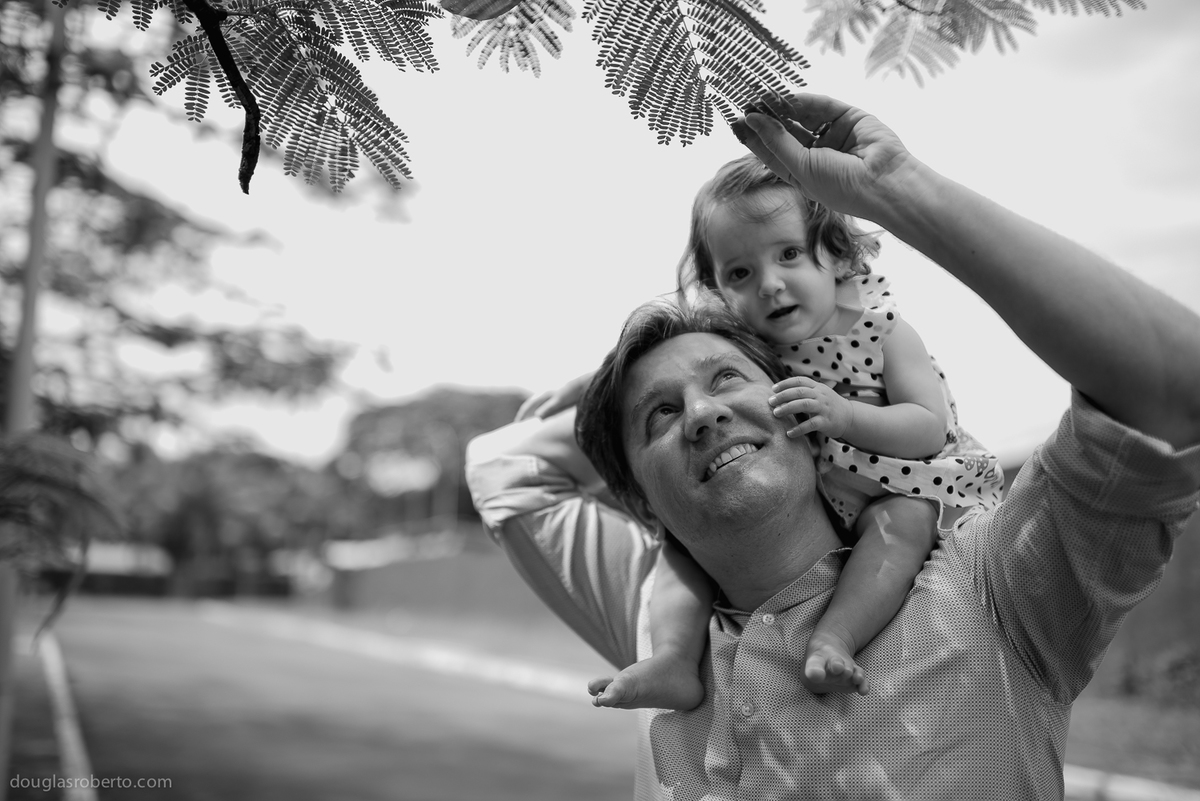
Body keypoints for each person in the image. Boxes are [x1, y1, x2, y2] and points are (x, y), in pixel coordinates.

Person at [466, 94, 1200, 799]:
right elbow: (503, 465)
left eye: (728, 378)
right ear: (640, 498)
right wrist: (614, 388)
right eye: (661, 416)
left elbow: (1174, 392)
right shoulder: (663, 622)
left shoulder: (995, 588)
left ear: (800, 397)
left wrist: (899, 190)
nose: (702, 413)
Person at [585, 153, 1006, 710]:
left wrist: (845, 416)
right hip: (828, 493)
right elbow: (670, 369)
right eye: (740, 273)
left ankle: (835, 637)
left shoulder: (882, 330)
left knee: (900, 524)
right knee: (678, 551)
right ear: (717, 289)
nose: (770, 284)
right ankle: (671, 657)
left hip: (900, 483)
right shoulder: (758, 351)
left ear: (833, 253)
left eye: (788, 254)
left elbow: (929, 429)